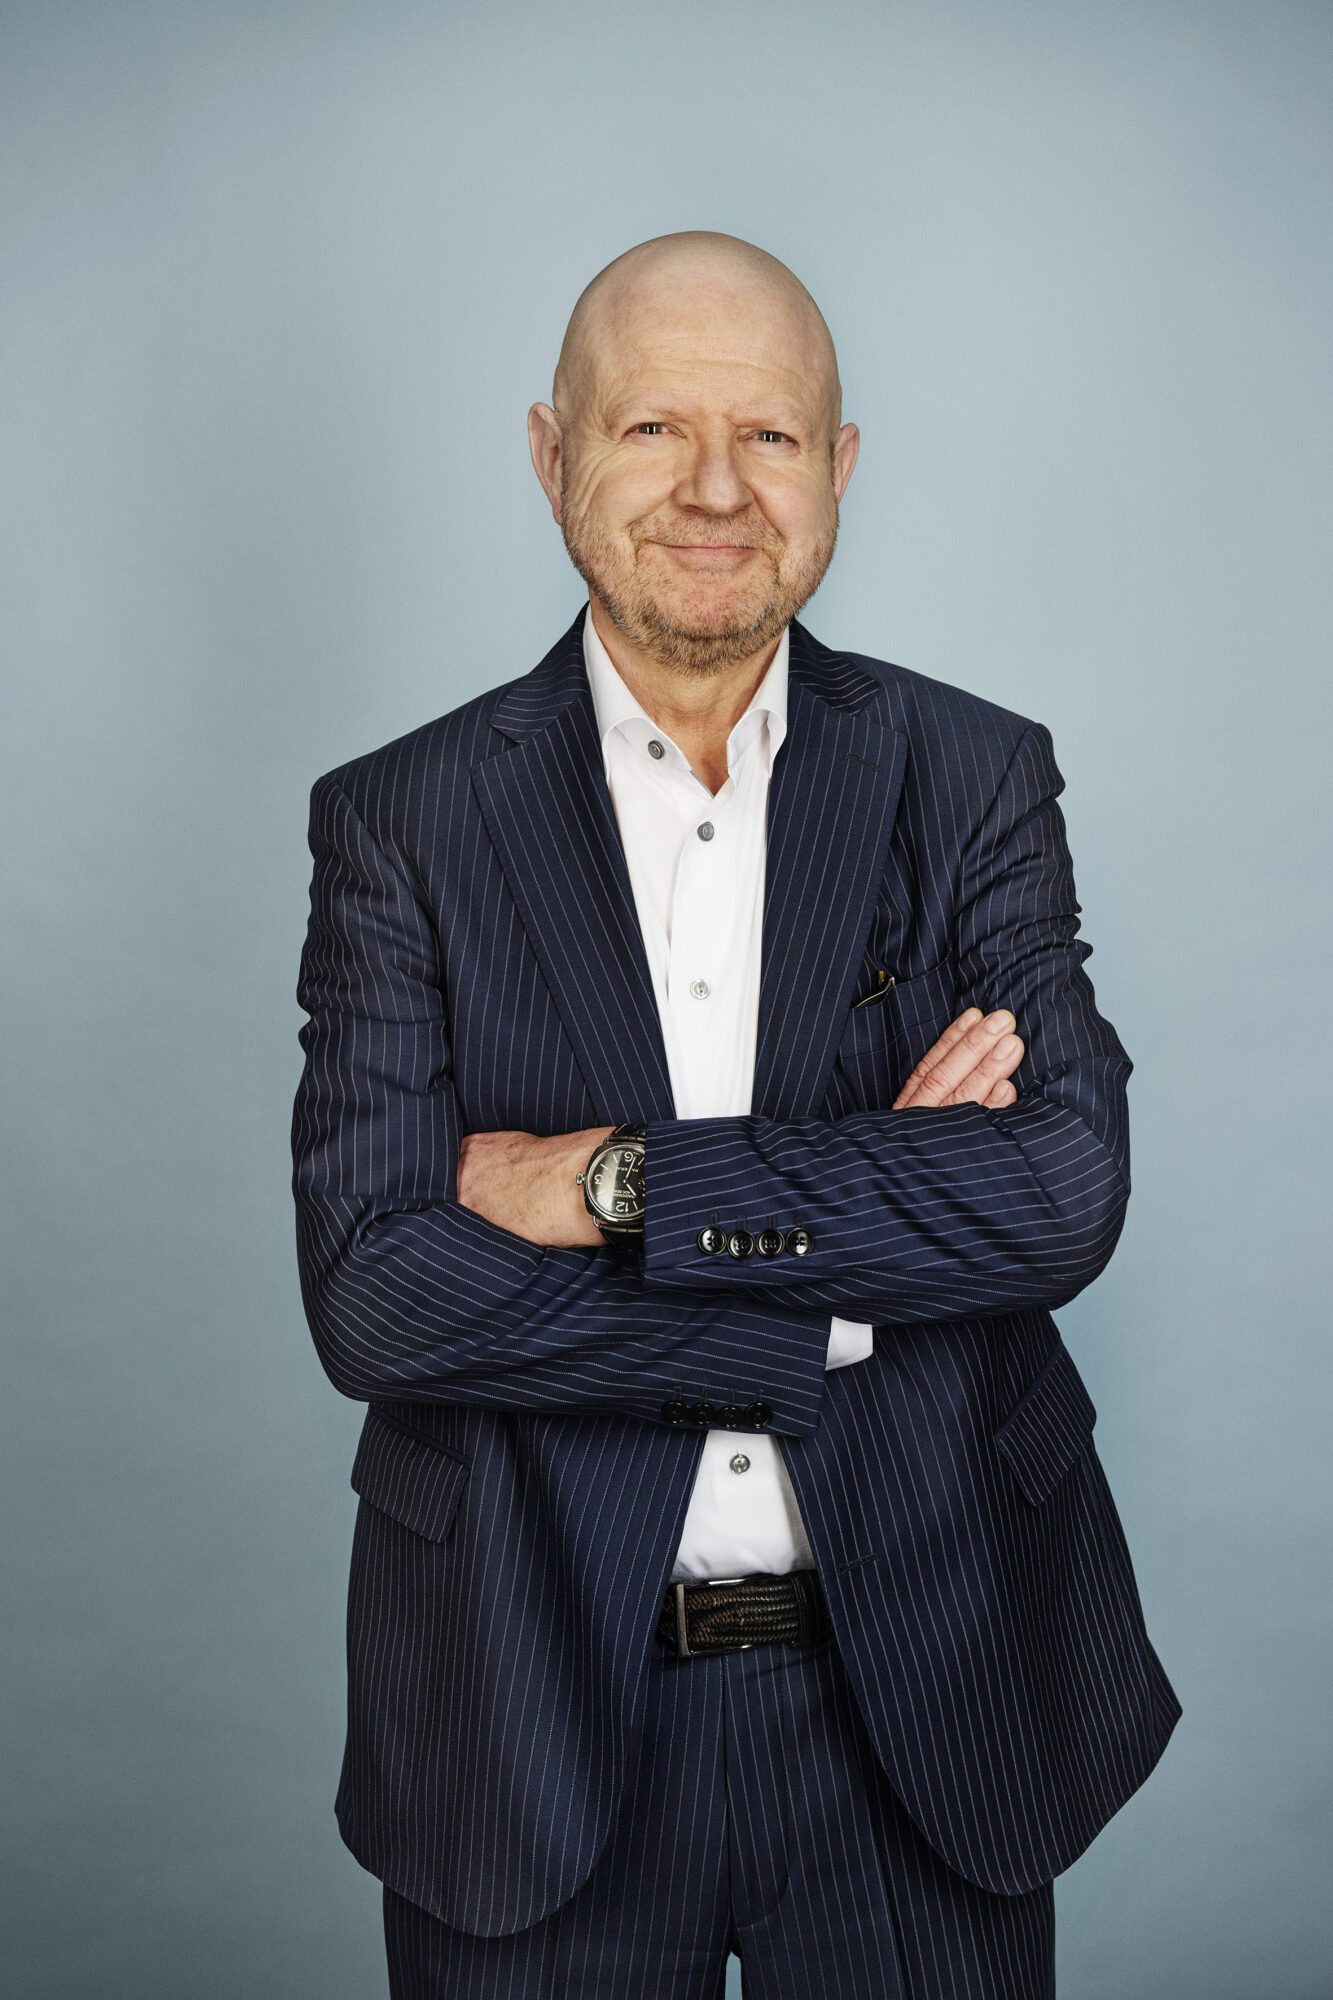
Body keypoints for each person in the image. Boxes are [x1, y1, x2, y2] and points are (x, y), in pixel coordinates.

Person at [292, 231, 1179, 2000]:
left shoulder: (970, 773)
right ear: (551, 454)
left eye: (767, 436)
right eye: (652, 430)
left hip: (926, 1696)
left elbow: (1059, 1189)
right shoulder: (402, 819)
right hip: (529, 1707)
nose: (714, 490)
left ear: (836, 467)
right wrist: (831, 1295)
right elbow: (377, 1292)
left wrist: (616, 1183)